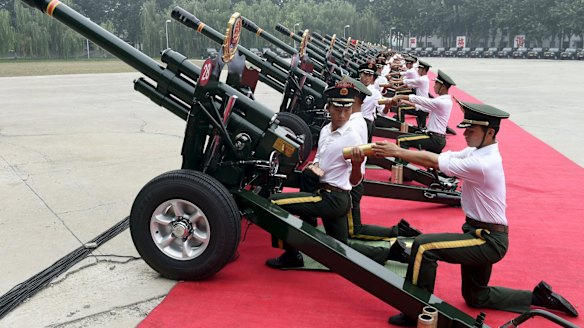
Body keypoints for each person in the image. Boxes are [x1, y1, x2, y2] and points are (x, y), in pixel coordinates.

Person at [371, 101, 579, 326]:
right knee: (476, 297)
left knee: (423, 246)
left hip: (487, 240)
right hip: (480, 233)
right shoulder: (477, 152)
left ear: (490, 132)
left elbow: (437, 162)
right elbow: (445, 159)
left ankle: (414, 311)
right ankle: (536, 297)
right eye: (465, 128)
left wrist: (397, 151)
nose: (465, 133)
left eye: (471, 130)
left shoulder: (483, 163)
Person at [384, 69, 455, 154]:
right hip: (436, 137)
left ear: (443, 87)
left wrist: (400, 96)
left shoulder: (442, 102)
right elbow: (425, 108)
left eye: (436, 83)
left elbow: (422, 100)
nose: (433, 86)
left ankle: (400, 165)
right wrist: (405, 101)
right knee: (432, 164)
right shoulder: (444, 100)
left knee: (401, 140)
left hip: (435, 139)